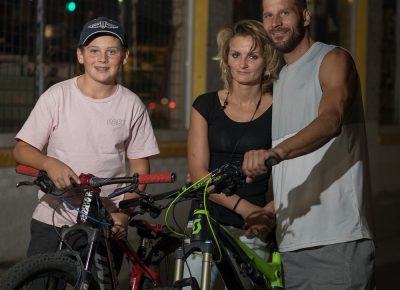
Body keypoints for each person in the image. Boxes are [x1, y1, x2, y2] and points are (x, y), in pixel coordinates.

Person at [13, 16, 159, 287]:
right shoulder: (57, 96)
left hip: (104, 222)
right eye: (93, 51)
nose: (102, 58)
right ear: (80, 55)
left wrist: (123, 214)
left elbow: (140, 169)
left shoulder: (131, 105)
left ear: (124, 57)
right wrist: (48, 162)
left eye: (111, 51)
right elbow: (22, 150)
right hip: (53, 218)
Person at [242, 1, 375, 289]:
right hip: (291, 242)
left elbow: (331, 120)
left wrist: (274, 153)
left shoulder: (332, 59)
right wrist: (273, 208)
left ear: (304, 16)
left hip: (336, 238)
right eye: (268, 15)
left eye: (284, 13)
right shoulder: (280, 80)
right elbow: (302, 168)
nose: (275, 22)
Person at [185, 19, 280, 289]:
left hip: (255, 227)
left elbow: (296, 171)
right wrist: (246, 209)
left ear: (267, 60)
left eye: (253, 56)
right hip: (206, 219)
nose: (243, 63)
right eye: (236, 55)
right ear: (226, 58)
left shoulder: (281, 108)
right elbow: (198, 173)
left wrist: (266, 214)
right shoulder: (206, 105)